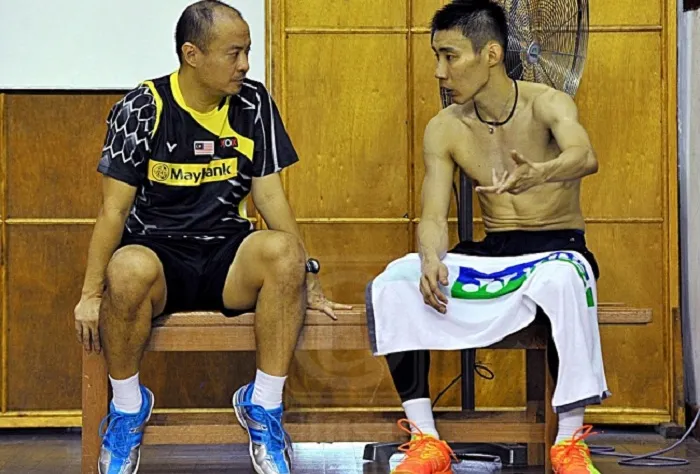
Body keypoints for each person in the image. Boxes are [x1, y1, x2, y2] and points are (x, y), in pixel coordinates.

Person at [73, 2, 350, 473]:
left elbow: (270, 197)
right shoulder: (142, 108)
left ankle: (263, 404)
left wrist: (308, 274)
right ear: (192, 54)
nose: (244, 65)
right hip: (159, 257)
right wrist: (89, 293)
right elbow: (113, 210)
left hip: (228, 256)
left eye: (247, 52)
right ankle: (127, 409)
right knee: (127, 267)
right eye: (233, 53)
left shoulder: (253, 103)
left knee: (284, 252)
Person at [385, 1, 603, 473]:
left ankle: (569, 443)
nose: (440, 71)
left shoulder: (548, 102)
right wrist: (429, 259)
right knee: (395, 281)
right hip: (496, 253)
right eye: (437, 56)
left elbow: (585, 157)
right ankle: (425, 439)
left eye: (450, 56)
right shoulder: (444, 128)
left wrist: (542, 172)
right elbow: (433, 216)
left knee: (562, 281)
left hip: (558, 248)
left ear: (491, 54)